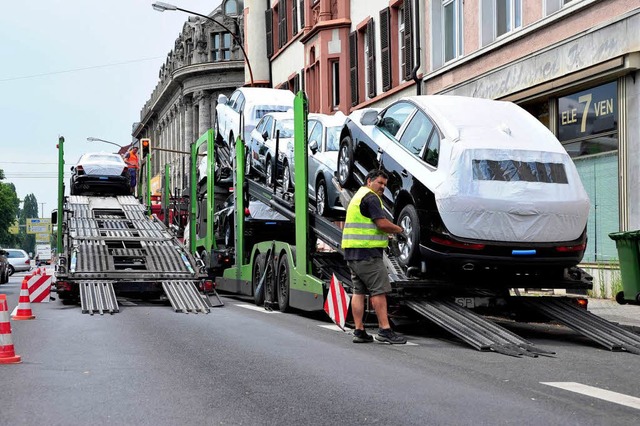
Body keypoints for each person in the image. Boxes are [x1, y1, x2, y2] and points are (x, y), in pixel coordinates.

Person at [341, 169, 407, 344]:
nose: (383, 187)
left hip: (352, 252)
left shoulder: (358, 196)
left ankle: (359, 330)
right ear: (369, 181)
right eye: (380, 183)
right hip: (368, 253)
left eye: (385, 184)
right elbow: (381, 223)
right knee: (379, 290)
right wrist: (399, 230)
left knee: (358, 291)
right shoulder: (370, 197)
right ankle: (385, 330)